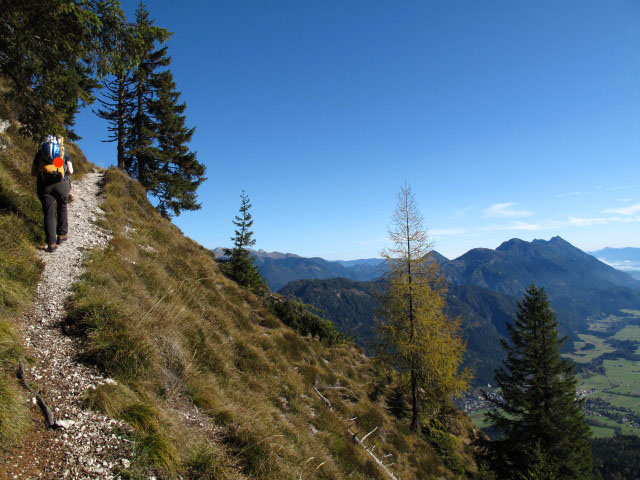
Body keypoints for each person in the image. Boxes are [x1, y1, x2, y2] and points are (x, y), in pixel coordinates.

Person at [31, 135, 73, 252]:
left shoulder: (39, 153)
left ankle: (51, 243)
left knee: (48, 213)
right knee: (62, 207)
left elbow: (33, 172)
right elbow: (70, 171)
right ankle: (62, 235)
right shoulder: (63, 152)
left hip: (44, 186)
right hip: (61, 184)